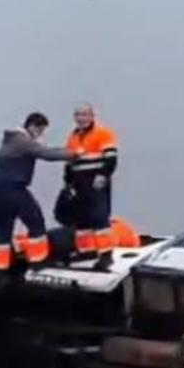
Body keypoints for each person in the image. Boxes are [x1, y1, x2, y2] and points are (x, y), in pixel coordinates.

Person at [0, 112, 74, 270]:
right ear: (33, 126)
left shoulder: (10, 140)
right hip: (15, 190)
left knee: (1, 230)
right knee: (36, 223)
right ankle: (38, 262)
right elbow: (46, 154)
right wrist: (74, 153)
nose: (40, 135)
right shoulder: (22, 141)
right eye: (40, 131)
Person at [63, 102, 119, 271]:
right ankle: (86, 251)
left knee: (99, 217)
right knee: (82, 219)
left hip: (96, 181)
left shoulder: (103, 133)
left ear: (92, 116)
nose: (81, 118)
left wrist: (103, 175)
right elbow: (69, 163)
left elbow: (111, 158)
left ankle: (106, 255)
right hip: (79, 183)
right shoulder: (72, 137)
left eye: (84, 114)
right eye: (78, 115)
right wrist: (68, 183)